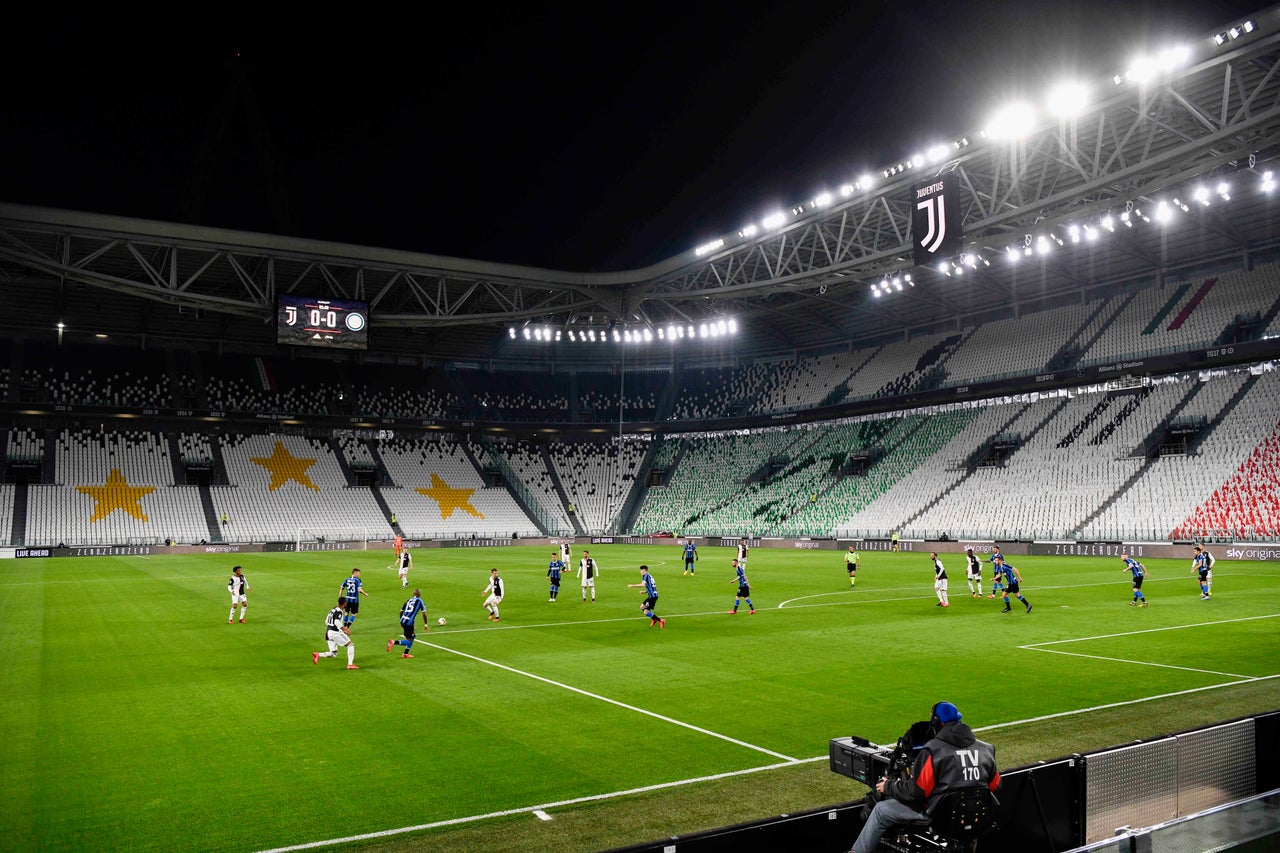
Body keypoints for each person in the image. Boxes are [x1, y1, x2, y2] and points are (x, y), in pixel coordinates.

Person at [849, 701, 1000, 853]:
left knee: (881, 810)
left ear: (936, 723)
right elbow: (995, 786)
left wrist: (889, 786)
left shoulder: (932, 751)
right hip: (976, 817)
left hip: (938, 817)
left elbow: (917, 793)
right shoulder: (986, 749)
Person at [313, 597, 358, 669]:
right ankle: (350, 664)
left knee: (333, 654)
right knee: (350, 644)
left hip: (328, 633)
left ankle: (317, 654)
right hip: (335, 632)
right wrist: (345, 630)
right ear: (344, 604)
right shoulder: (339, 611)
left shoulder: (332, 610)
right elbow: (336, 622)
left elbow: (326, 621)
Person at [388, 588, 428, 658]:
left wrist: (401, 621)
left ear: (413, 594)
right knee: (410, 640)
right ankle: (393, 642)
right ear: (420, 594)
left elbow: (401, 611)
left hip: (403, 620)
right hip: (409, 623)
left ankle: (405, 653)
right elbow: (424, 613)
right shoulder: (420, 601)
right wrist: (425, 624)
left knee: (413, 636)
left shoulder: (408, 600)